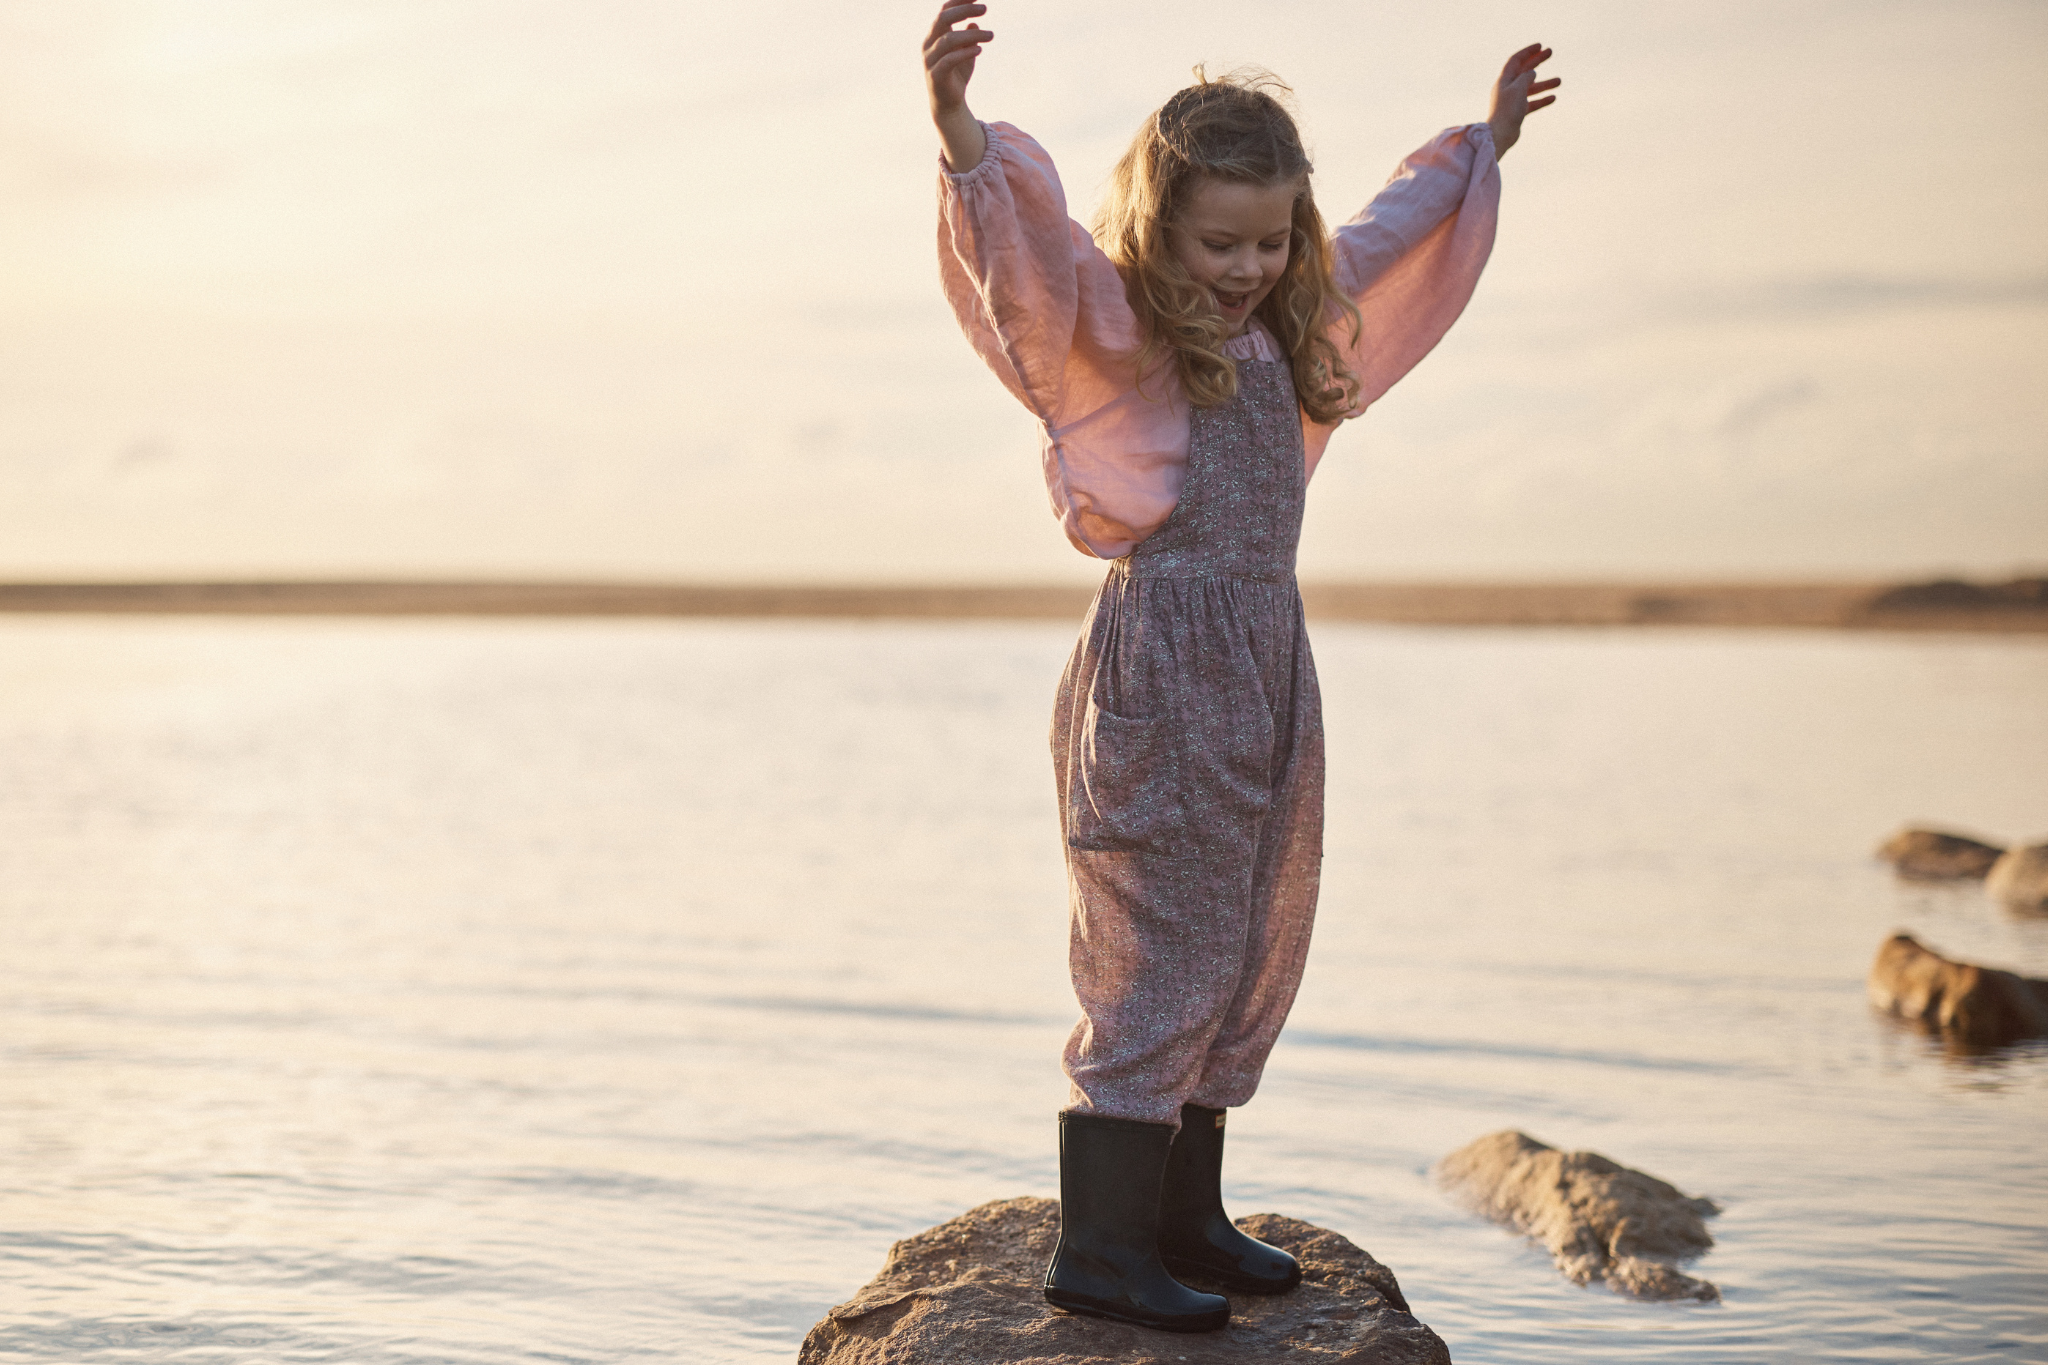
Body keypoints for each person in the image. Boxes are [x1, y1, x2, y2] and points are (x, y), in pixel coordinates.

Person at [923, 1, 1558, 1334]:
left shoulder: (1298, 321)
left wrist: (1481, 144)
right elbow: (1028, 261)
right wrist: (962, 134)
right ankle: (1099, 1247)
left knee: (1256, 934)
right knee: (1159, 944)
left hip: (1265, 668)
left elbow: (1387, 236)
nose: (1247, 266)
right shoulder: (1127, 334)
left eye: (1270, 240)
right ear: (1160, 231)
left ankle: (1185, 1215)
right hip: (1161, 671)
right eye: (1220, 240)